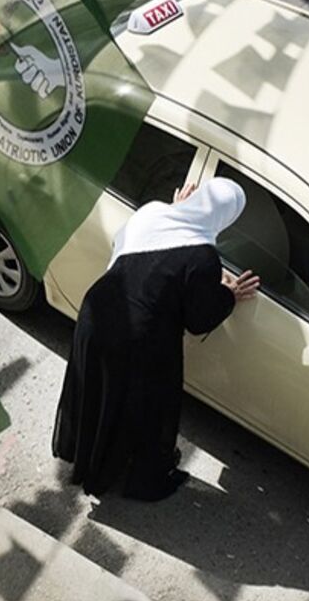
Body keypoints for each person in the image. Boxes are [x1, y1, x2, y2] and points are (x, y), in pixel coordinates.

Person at [52, 178, 260, 501]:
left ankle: (85, 457)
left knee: (97, 391)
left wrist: (173, 209)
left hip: (95, 315)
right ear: (226, 218)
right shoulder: (204, 258)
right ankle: (133, 476)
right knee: (145, 408)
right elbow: (198, 320)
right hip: (136, 343)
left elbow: (127, 246)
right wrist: (229, 295)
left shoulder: (152, 213)